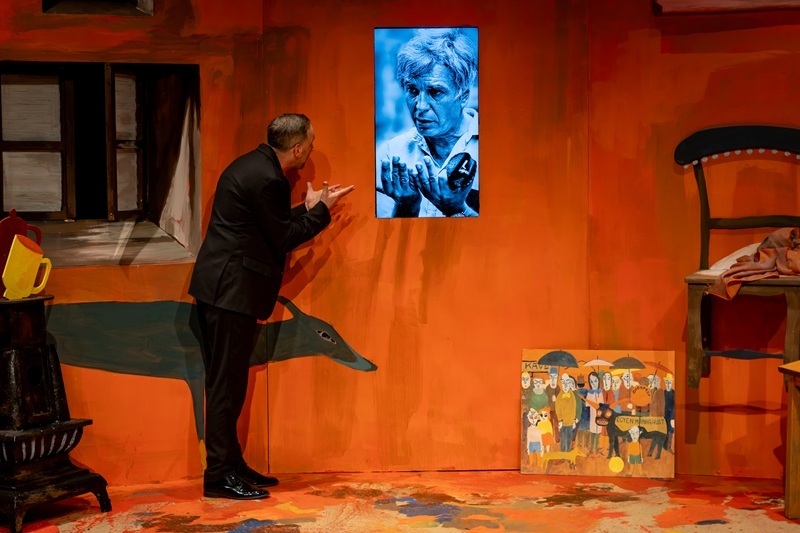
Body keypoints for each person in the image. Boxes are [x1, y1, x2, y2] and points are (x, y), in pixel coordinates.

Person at [189, 113, 355, 500]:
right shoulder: (269, 179)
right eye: (310, 144)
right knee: (226, 386)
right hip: (231, 293)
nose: (312, 149)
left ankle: (231, 464)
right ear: (296, 149)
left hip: (224, 290)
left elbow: (264, 224)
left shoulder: (254, 165)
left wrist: (307, 208)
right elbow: (283, 238)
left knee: (229, 384)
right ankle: (218, 475)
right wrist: (321, 212)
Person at [376, 28, 479, 218]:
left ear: (464, 96)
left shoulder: (494, 149)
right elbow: (381, 232)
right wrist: (408, 207)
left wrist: (458, 210)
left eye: (435, 92)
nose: (421, 106)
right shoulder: (391, 152)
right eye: (413, 90)